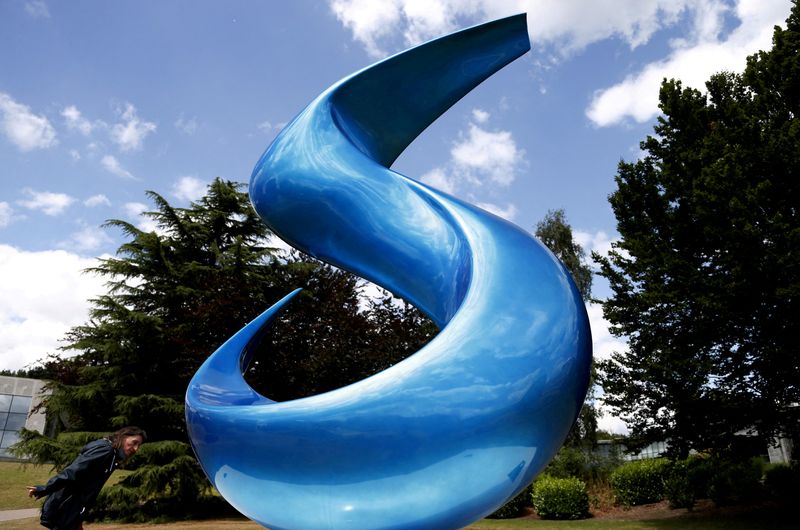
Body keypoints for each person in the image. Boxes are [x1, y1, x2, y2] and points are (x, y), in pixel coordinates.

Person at [27, 426, 146, 530]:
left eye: (138, 445)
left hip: (73, 510)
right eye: (134, 442)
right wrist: (45, 489)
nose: (136, 449)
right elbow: (73, 471)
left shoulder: (112, 455)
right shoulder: (106, 450)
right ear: (123, 437)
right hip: (66, 507)